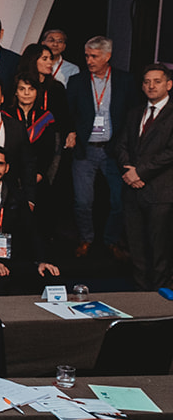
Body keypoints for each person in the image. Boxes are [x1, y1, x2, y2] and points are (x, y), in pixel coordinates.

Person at [0, 145, 61, 295]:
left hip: (12, 259)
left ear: (7, 168)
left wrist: (42, 260)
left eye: (0, 164)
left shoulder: (18, 195)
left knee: (49, 276)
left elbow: (32, 230)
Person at [65, 36, 130, 260]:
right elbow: (68, 112)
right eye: (86, 55)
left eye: (94, 56)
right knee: (82, 201)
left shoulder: (124, 81)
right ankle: (86, 238)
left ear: (107, 56)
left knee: (118, 200)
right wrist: (71, 131)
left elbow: (129, 115)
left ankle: (112, 240)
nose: (89, 60)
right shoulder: (77, 81)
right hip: (85, 149)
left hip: (114, 150)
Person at [115, 63, 173, 291]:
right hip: (132, 191)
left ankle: (159, 303)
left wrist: (140, 172)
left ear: (169, 84)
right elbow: (120, 145)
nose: (151, 86)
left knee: (159, 250)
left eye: (157, 81)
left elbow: (170, 152)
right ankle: (141, 297)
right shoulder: (134, 113)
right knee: (136, 249)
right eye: (147, 81)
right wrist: (129, 171)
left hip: (160, 192)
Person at [10, 69, 64, 223]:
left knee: (39, 221)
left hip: (38, 177)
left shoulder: (46, 117)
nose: (26, 93)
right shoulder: (6, 115)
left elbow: (49, 151)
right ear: (15, 92)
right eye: (22, 89)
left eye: (31, 89)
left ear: (37, 92)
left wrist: (39, 173)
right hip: (12, 177)